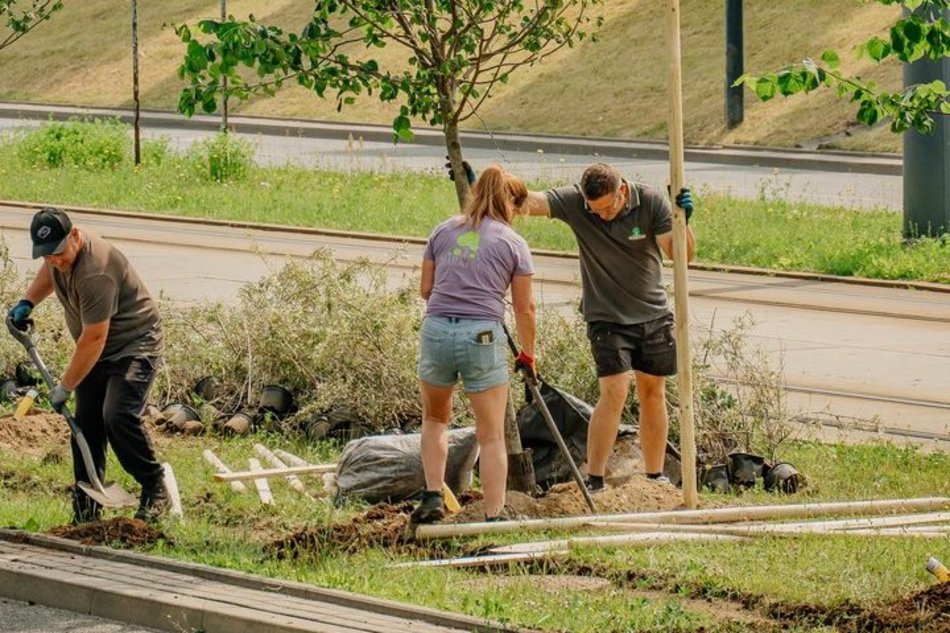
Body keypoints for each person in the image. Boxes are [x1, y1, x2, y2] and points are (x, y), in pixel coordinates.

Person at [518, 162, 696, 492]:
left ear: (622, 192)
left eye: (606, 208)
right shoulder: (576, 202)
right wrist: (491, 186)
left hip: (652, 315)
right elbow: (530, 202)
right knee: (613, 393)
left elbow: (681, 256)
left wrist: (681, 220)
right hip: (606, 318)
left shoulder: (651, 201)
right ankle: (595, 478)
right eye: (592, 209)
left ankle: (654, 476)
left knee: (653, 393)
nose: (600, 215)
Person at [6, 207, 169, 524]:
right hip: (98, 348)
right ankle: (86, 508)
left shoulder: (96, 271)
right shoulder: (57, 257)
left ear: (75, 236)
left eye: (58, 252)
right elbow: (50, 272)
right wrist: (27, 302)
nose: (54, 260)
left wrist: (65, 387)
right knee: (85, 424)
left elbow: (94, 338)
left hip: (134, 345)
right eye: (46, 255)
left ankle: (154, 487)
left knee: (117, 415)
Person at [411, 165, 536, 524]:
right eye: (518, 208)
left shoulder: (443, 231)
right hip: (481, 335)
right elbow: (525, 308)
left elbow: (425, 290)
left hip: (436, 330)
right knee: (491, 433)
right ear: (510, 203)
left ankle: (433, 497)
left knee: (435, 418)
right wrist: (527, 353)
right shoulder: (513, 243)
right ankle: (494, 514)